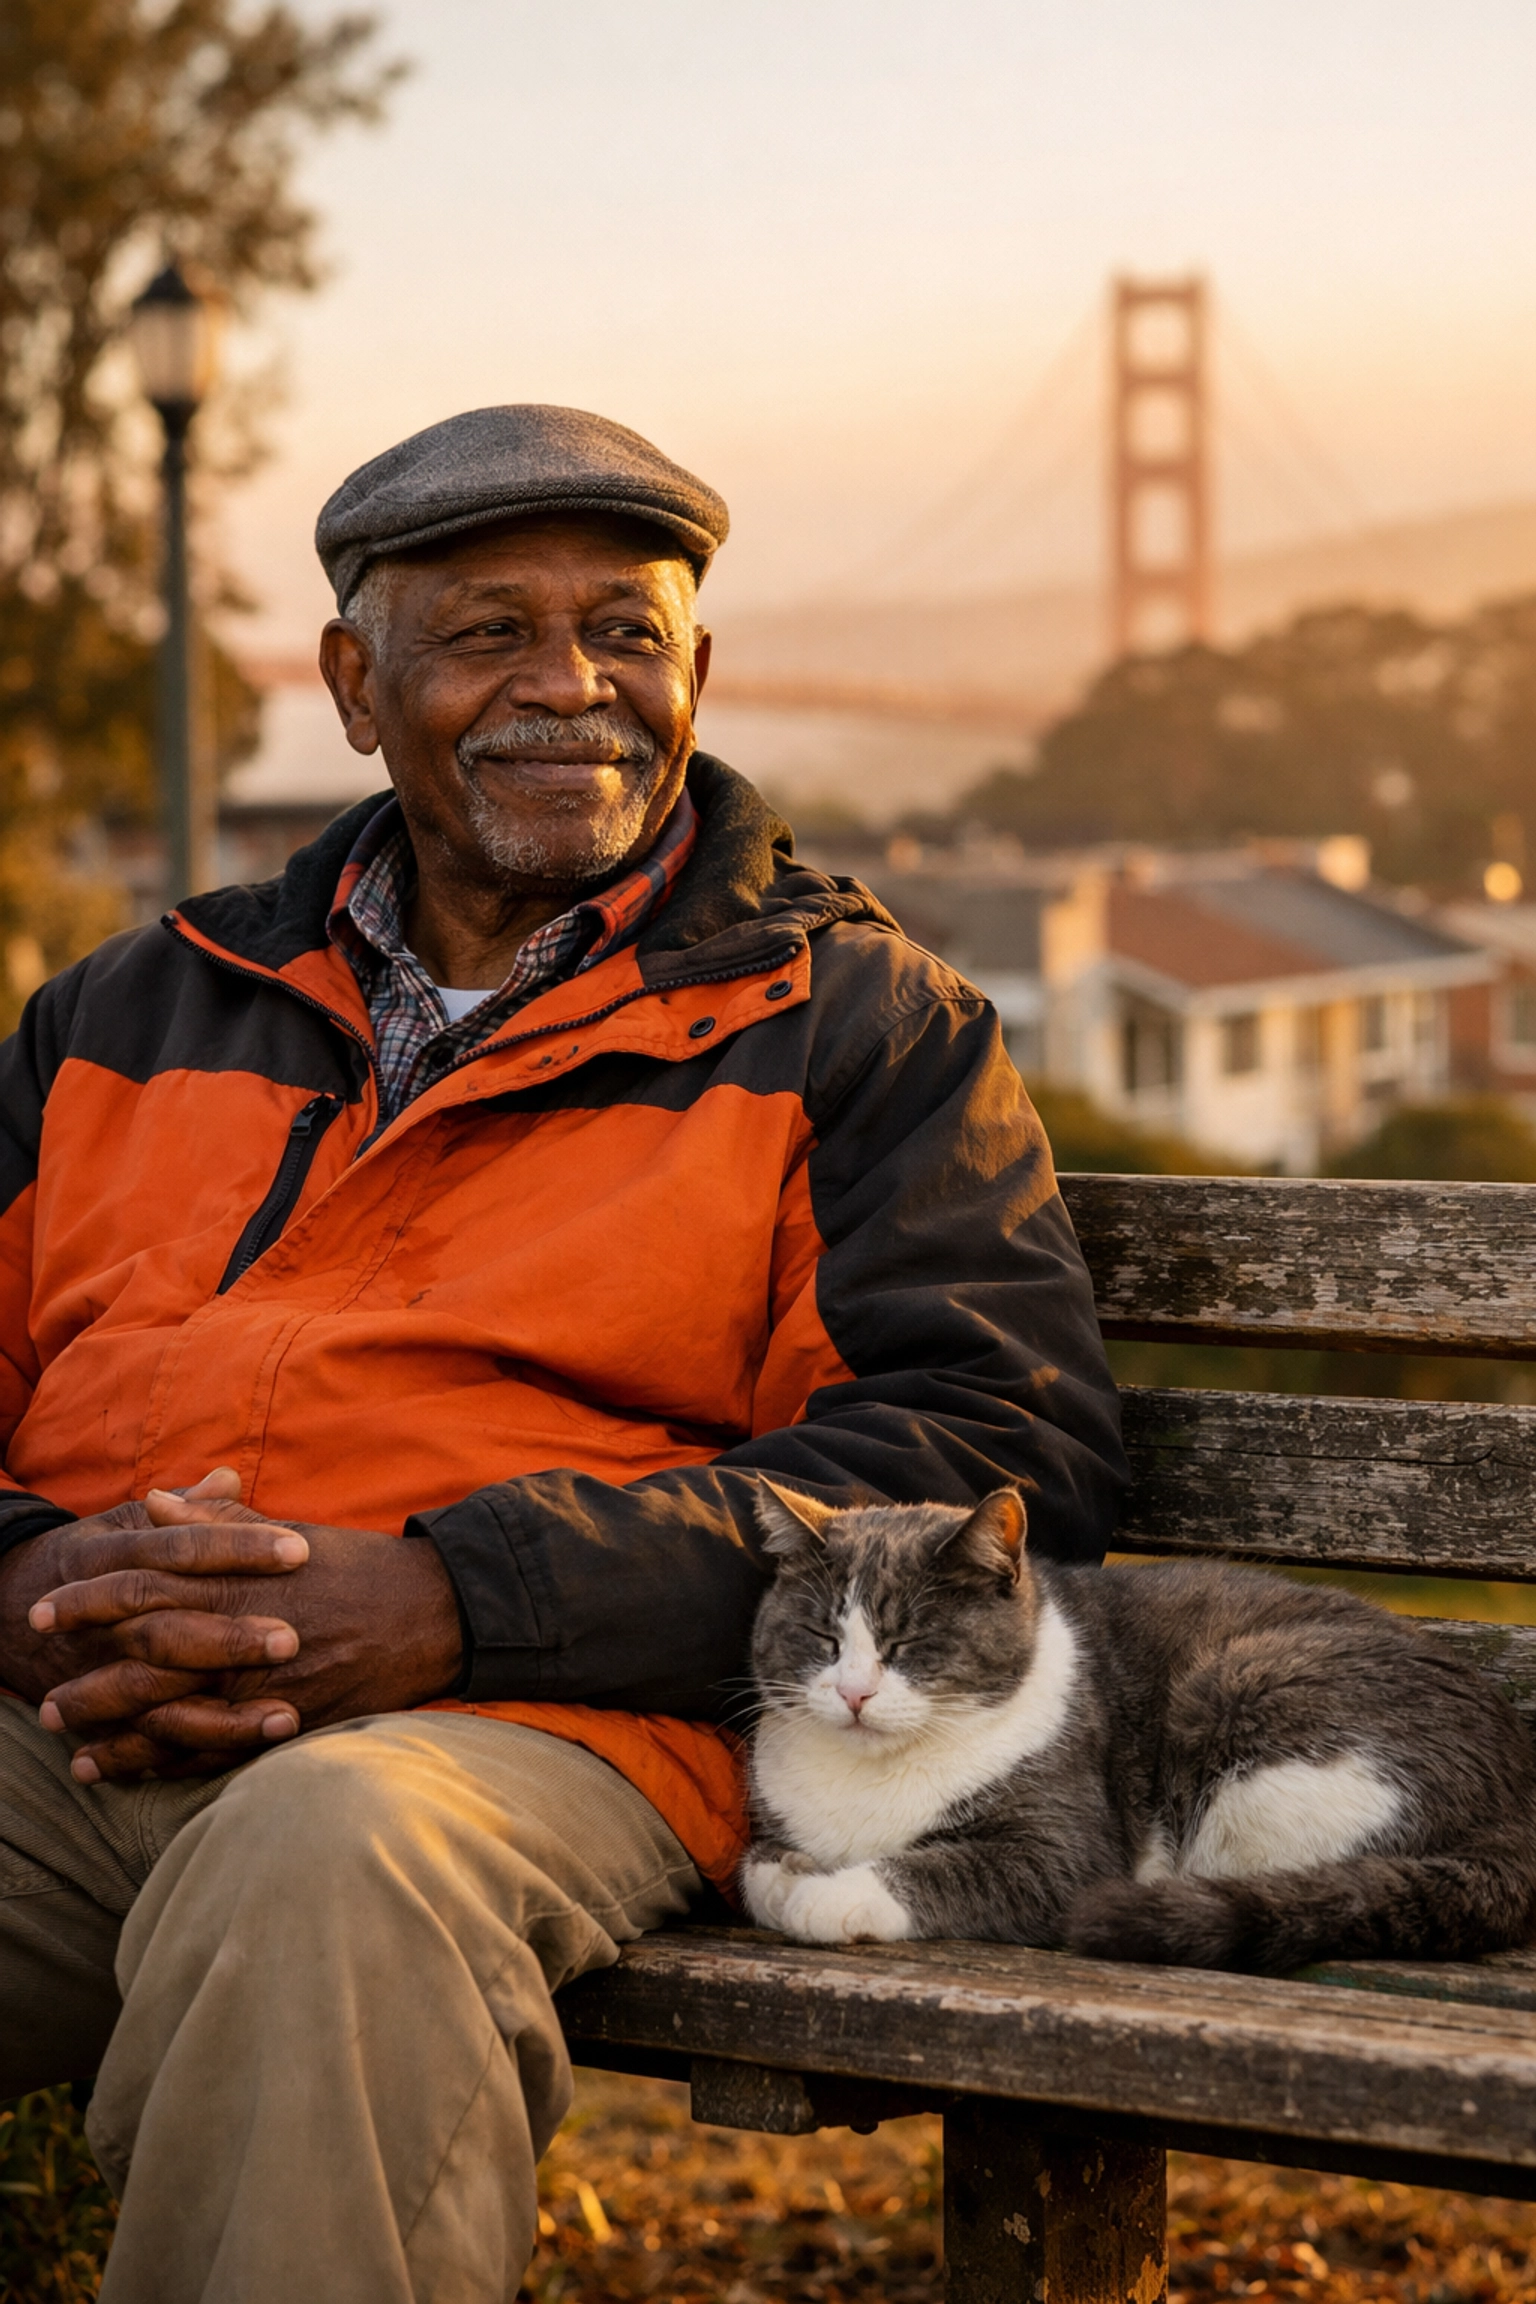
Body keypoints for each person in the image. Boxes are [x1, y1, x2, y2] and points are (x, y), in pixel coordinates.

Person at [0, 404, 1125, 2302]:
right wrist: (23, 1575)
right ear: (357, 686)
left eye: (626, 631)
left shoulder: (853, 1024)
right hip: (69, 1716)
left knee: (333, 1859)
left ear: (699, 671)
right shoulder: (130, 1004)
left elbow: (987, 1452)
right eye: (490, 632)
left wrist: (461, 1599)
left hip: (523, 1731)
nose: (572, 687)